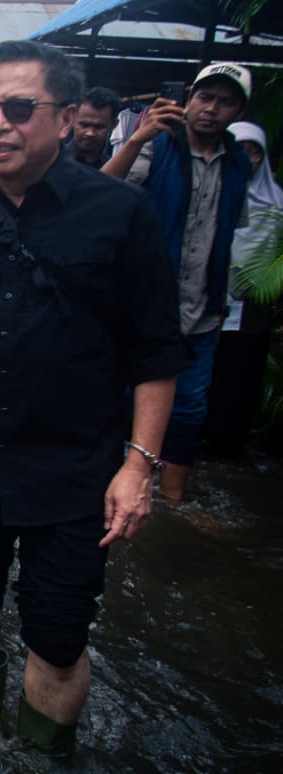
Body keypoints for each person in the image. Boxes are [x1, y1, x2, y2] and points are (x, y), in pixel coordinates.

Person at [0, 40, 188, 756]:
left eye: (20, 108)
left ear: (66, 116)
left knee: (56, 640)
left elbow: (157, 353)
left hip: (77, 470)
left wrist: (139, 466)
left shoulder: (120, 214)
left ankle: (44, 757)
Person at [102, 63, 252, 502]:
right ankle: (112, 488)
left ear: (238, 110)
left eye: (224, 102)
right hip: (139, 305)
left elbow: (232, 229)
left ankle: (173, 500)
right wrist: (137, 138)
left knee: (188, 407)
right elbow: (100, 192)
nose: (210, 109)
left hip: (200, 309)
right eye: (205, 98)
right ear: (189, 100)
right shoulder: (159, 146)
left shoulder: (238, 162)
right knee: (122, 400)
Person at [203, 121, 282, 454]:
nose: (248, 159)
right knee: (204, 374)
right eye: (241, 150)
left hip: (252, 307)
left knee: (240, 377)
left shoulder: (277, 203)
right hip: (206, 300)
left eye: (255, 152)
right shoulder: (211, 192)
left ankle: (226, 444)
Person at [67, 86, 120, 168]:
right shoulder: (51, 161)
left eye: (99, 127)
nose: (90, 133)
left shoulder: (113, 169)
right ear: (72, 118)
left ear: (113, 125)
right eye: (84, 125)